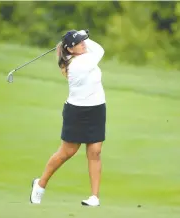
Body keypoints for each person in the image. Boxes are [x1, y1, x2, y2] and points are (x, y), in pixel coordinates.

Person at [30, 29, 106, 206]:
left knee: (95, 152)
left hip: (97, 109)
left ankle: (94, 197)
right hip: (77, 112)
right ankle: (39, 185)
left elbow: (94, 48)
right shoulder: (78, 65)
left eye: (83, 41)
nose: (84, 44)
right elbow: (100, 50)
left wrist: (80, 36)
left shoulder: (82, 55)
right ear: (70, 49)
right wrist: (83, 35)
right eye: (79, 43)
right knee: (67, 152)